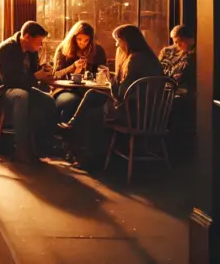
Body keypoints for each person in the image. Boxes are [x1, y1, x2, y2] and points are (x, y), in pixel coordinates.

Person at [65, 24, 165, 169]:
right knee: (92, 94)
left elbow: (121, 94)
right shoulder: (148, 57)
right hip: (149, 112)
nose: (117, 45)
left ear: (127, 41)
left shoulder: (133, 60)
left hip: (134, 113)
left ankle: (87, 157)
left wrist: (110, 80)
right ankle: (73, 125)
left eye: (118, 41)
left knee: (92, 115)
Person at [0, 21, 57, 163]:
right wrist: (36, 76)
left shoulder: (31, 50)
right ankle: (21, 149)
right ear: (27, 37)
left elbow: (31, 73)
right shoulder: (6, 49)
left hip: (21, 88)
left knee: (48, 101)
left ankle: (44, 146)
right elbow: (9, 81)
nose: (40, 45)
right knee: (21, 96)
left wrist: (44, 70)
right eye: (39, 42)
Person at [51, 22, 108, 123]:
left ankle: (86, 135)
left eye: (86, 40)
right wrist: (72, 67)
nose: (82, 43)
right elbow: (55, 75)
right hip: (65, 89)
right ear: (73, 38)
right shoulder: (63, 49)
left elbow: (103, 73)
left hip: (88, 89)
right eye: (79, 39)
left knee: (98, 103)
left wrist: (92, 72)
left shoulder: (97, 51)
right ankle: (67, 131)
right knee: (74, 101)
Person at [159, 24, 196, 93]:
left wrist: (183, 77)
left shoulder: (195, 56)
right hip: (163, 86)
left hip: (182, 90)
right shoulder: (167, 52)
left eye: (181, 41)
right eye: (175, 42)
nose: (178, 45)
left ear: (191, 40)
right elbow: (158, 68)